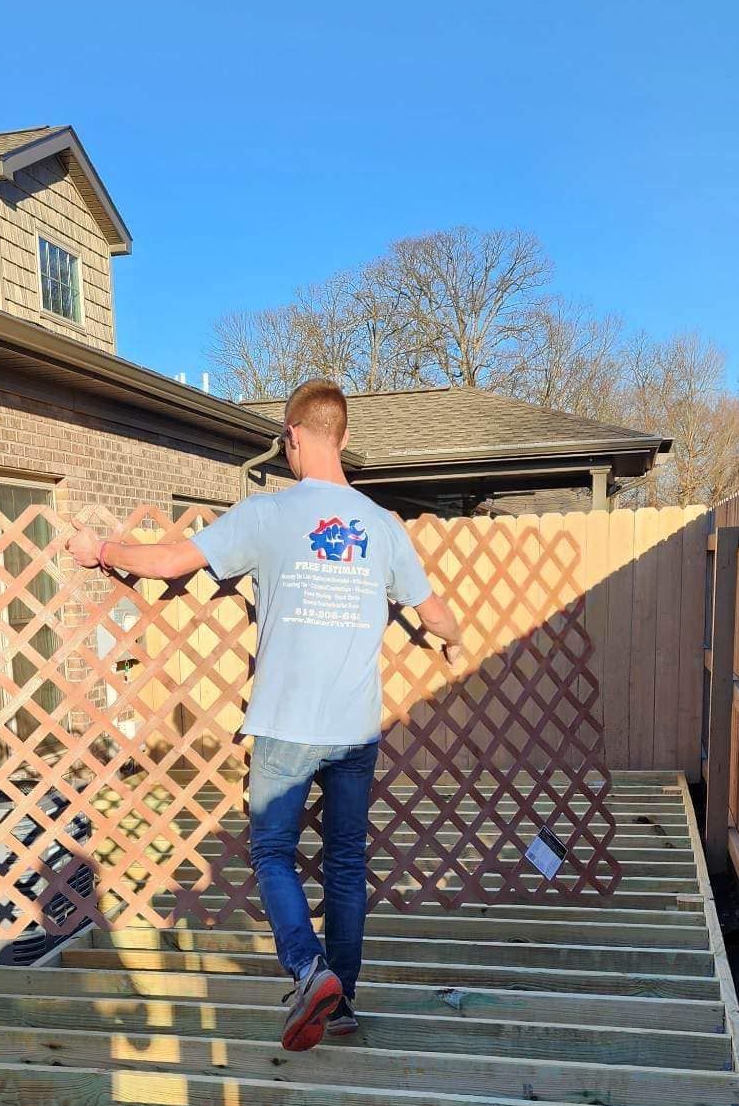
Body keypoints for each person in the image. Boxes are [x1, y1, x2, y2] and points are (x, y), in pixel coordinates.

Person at [66, 378, 463, 1052]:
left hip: (284, 723)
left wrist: (101, 551)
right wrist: (452, 641)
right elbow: (436, 611)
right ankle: (340, 1004)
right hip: (354, 728)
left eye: (284, 438)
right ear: (340, 434)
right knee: (343, 864)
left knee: (274, 852)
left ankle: (309, 972)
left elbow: (167, 563)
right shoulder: (381, 527)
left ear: (300, 435)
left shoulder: (268, 515)